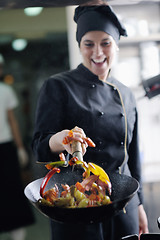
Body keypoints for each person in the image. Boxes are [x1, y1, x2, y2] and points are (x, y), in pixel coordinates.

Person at [32, 5, 149, 240]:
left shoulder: (126, 93)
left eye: (105, 43)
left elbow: (133, 158)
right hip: (77, 210)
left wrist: (139, 205)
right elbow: (39, 145)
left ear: (116, 45)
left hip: (122, 208)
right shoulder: (58, 86)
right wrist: (61, 139)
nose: (97, 52)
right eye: (89, 44)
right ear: (79, 46)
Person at [0, 54, 35, 240]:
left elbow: (12, 121)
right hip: (5, 148)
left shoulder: (5, 90)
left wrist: (20, 147)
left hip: (5, 148)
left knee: (12, 193)